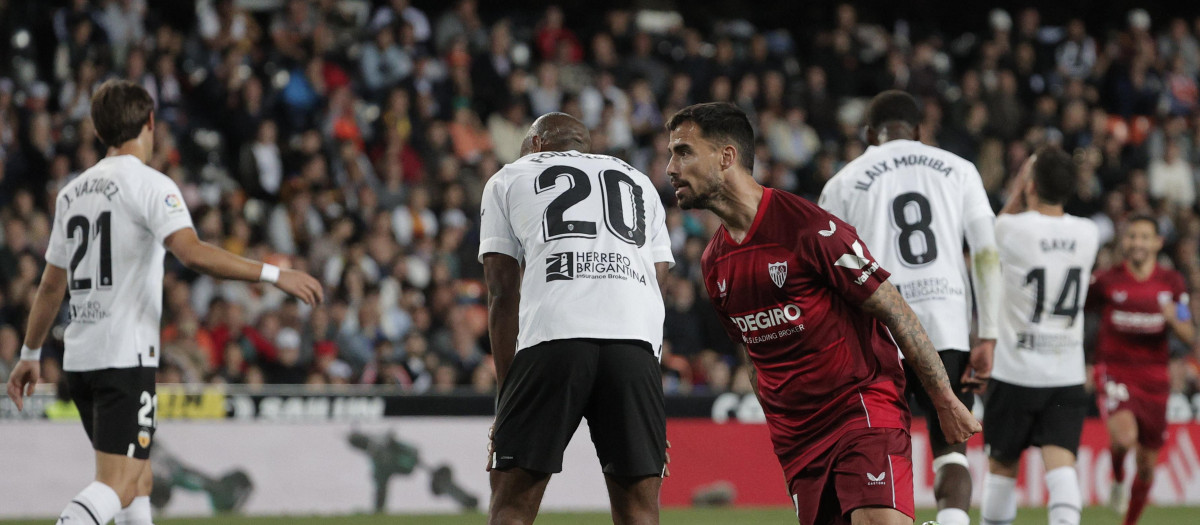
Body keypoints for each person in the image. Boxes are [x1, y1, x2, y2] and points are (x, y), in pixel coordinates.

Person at [5, 79, 323, 525]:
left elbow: (51, 286)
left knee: (139, 480)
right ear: (151, 123)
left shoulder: (71, 194)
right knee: (116, 484)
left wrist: (30, 353)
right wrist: (274, 272)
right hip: (123, 356)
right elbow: (192, 253)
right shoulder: (152, 185)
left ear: (99, 132)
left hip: (81, 359)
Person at [667, 101, 979, 525]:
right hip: (798, 440)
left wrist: (943, 398)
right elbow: (752, 355)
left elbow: (892, 306)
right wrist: (781, 435)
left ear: (726, 157)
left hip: (860, 407)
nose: (670, 167)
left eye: (684, 151)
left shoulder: (809, 228)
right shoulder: (714, 263)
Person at [479, 112, 673, 525]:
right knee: (641, 511)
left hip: (554, 336)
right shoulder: (638, 180)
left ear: (535, 145)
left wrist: (506, 396)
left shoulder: (510, 176)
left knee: (511, 507)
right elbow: (656, 281)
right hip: (634, 346)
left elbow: (501, 291)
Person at [818, 90, 1001, 525]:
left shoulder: (843, 181)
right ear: (920, 132)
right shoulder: (960, 169)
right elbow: (987, 252)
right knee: (951, 448)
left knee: (881, 445)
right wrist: (988, 333)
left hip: (880, 335)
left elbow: (825, 272)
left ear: (869, 134)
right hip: (948, 328)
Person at [980, 147, 1099, 525]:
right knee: (1062, 468)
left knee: (1001, 469)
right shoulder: (1088, 233)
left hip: (1015, 372)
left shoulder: (1010, 228)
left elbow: (995, 232)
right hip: (1065, 374)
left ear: (1030, 184)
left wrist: (1021, 186)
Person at [1088, 214, 1195, 525]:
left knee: (1148, 465)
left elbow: (1189, 333)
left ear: (1157, 243)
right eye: (1132, 236)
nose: (1137, 243)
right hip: (1115, 371)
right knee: (1123, 439)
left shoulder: (1172, 282)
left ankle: (1129, 522)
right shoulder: (1107, 279)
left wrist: (1174, 318)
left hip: (1155, 379)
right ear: (1125, 241)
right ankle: (1119, 476)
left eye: (1144, 237)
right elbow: (1079, 312)